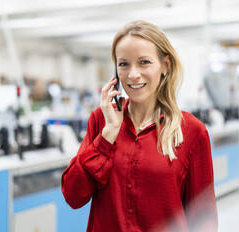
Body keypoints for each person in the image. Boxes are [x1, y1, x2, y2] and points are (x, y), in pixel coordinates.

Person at [61, 20, 218, 232]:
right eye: (123, 64)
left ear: (165, 66)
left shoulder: (191, 131)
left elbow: (204, 219)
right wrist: (107, 136)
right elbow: (73, 195)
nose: (133, 74)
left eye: (144, 62)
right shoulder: (101, 120)